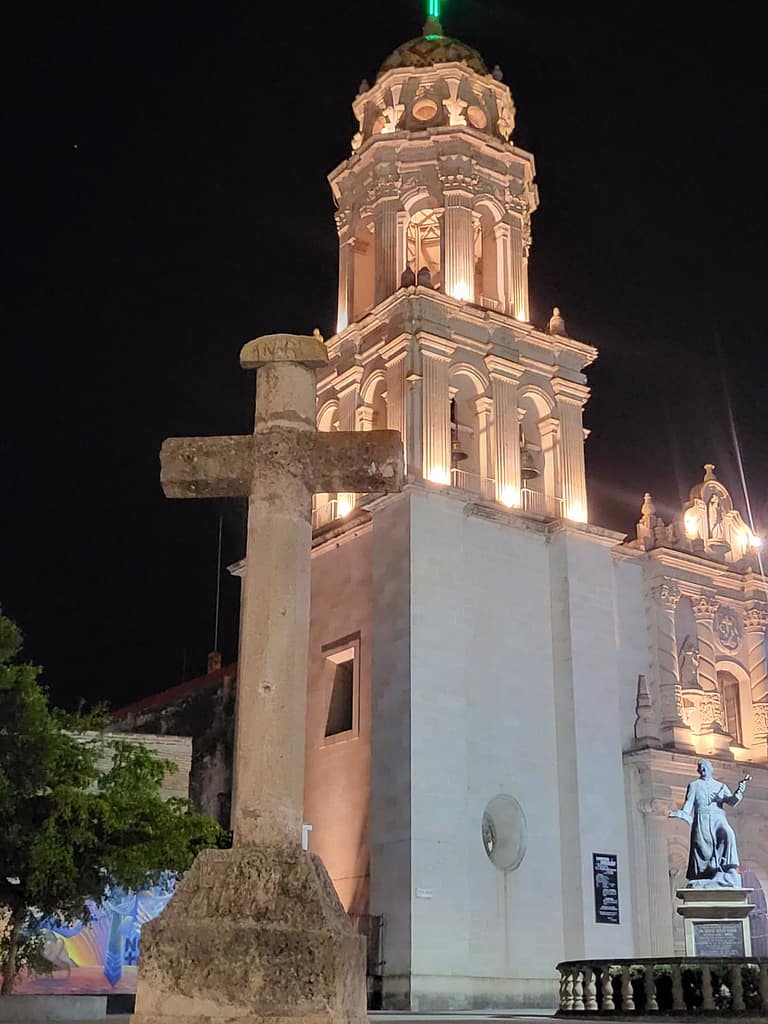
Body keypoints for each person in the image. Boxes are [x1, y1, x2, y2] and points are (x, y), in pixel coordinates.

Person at [669, 759, 751, 887]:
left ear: (711, 769)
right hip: (702, 819)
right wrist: (681, 814)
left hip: (718, 817)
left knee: (728, 834)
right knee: (703, 848)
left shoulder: (720, 786)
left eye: (705, 767)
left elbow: (731, 801)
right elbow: (689, 804)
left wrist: (740, 790)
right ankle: (706, 874)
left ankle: (729, 867)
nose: (703, 770)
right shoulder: (694, 785)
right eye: (700, 768)